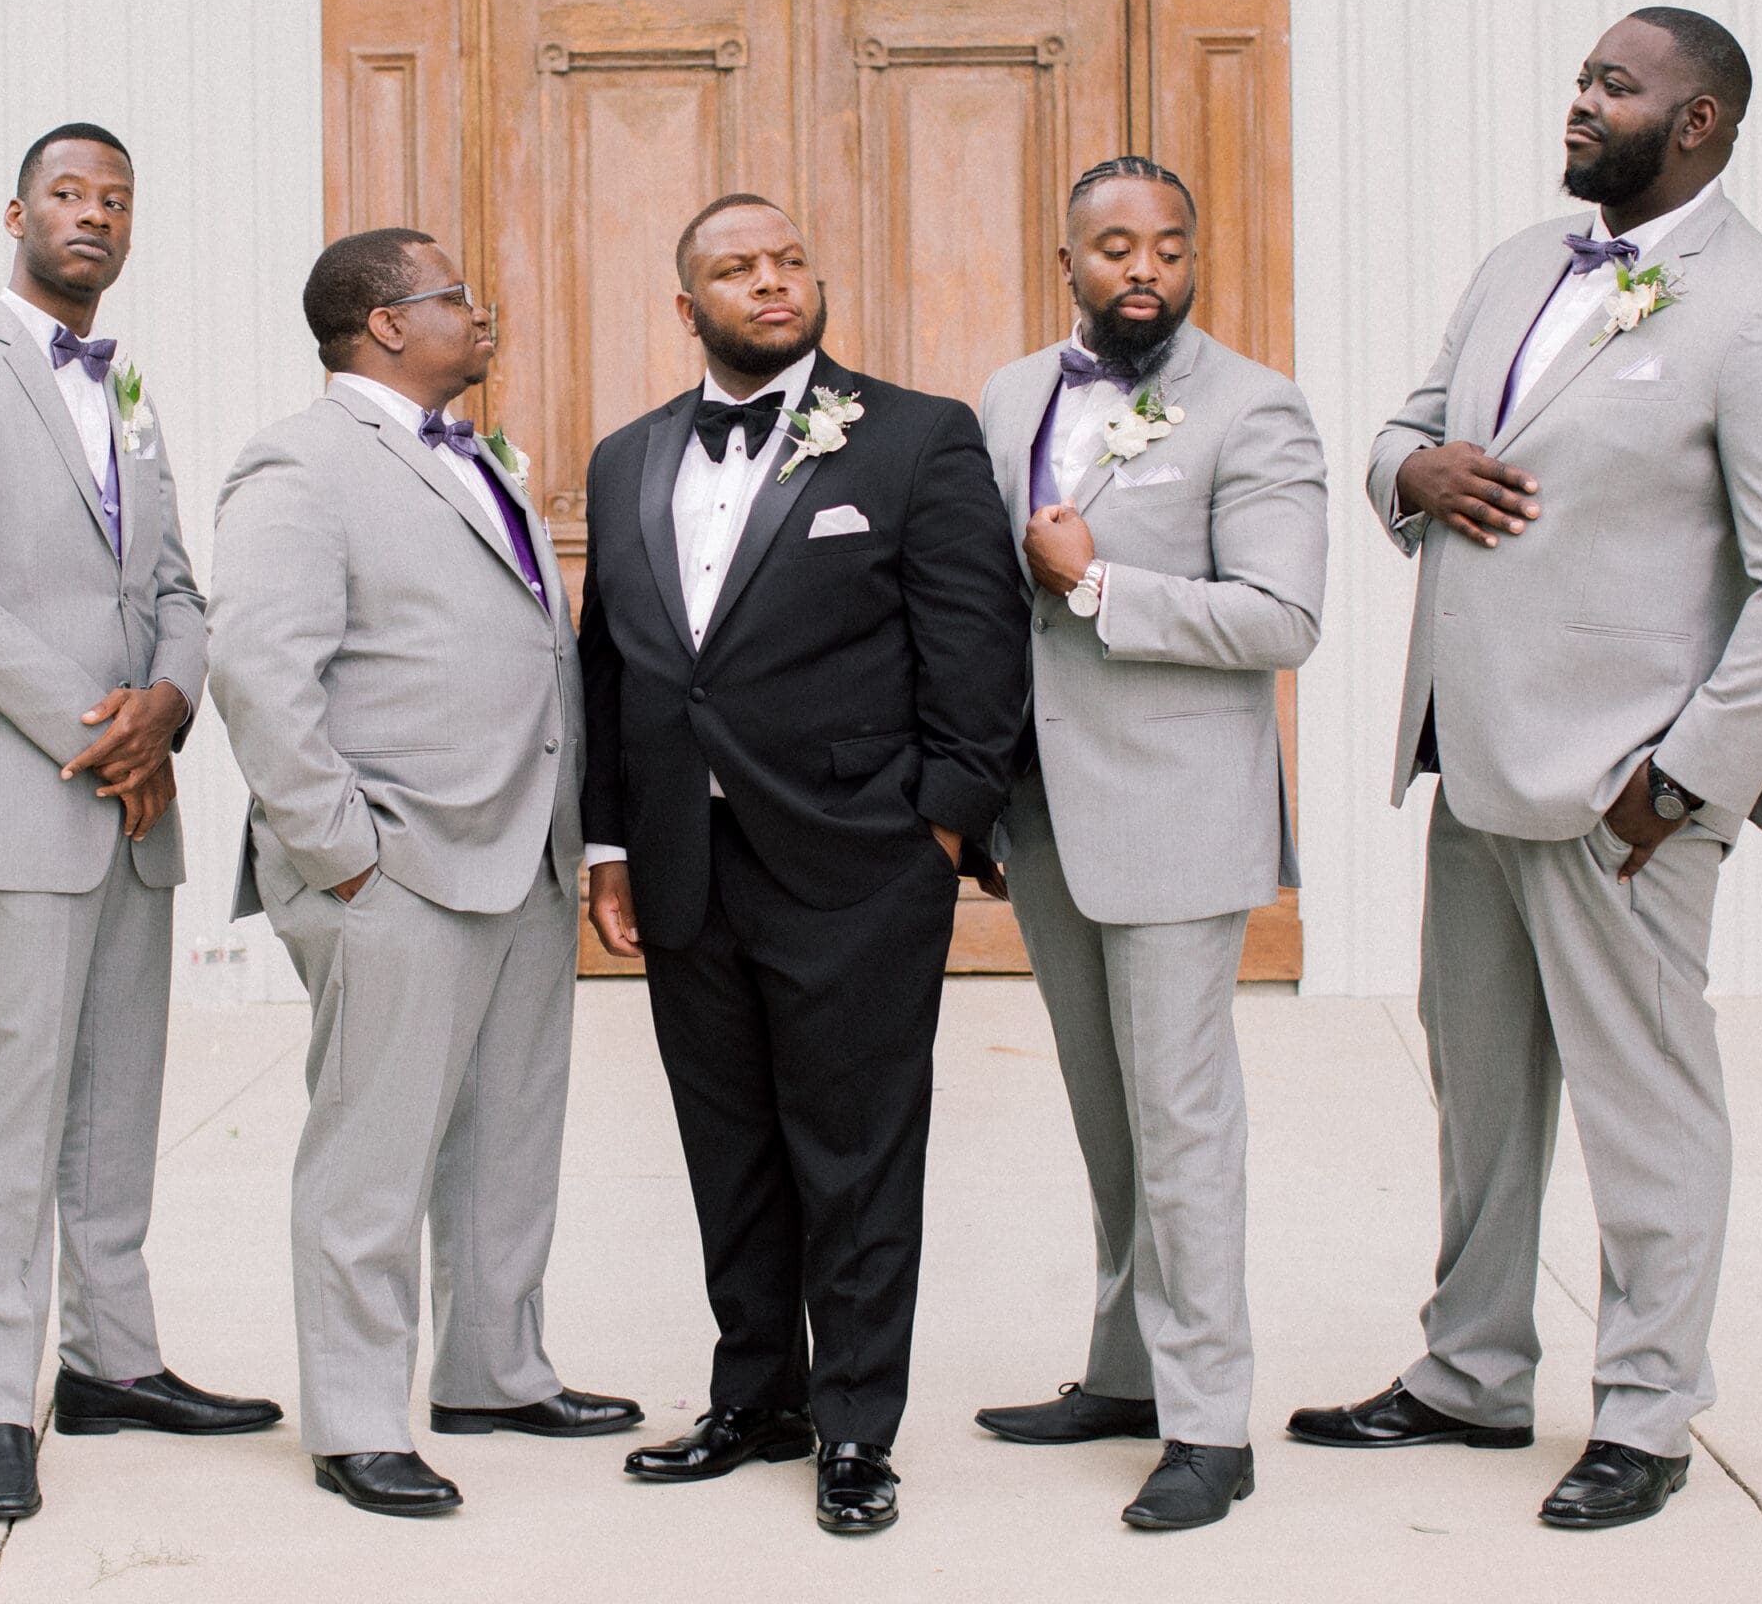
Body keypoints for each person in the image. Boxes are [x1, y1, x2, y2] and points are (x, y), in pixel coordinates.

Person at [1290, 9, 1762, 1530]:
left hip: (1624, 799)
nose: (1581, 99)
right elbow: (1405, 429)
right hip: (1471, 768)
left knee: (1645, 1106)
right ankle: (1470, 1372)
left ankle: (1648, 1410)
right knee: (1478, 1092)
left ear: (1699, 123)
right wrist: (1409, 472)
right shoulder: (1517, 268)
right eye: (1583, 76)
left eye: (1617, 84)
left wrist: (1681, 785)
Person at [579, 193, 1029, 1535]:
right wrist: (610, 837)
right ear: (687, 306)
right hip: (681, 861)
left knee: (857, 1153)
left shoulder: (914, 438)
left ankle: (854, 1429)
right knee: (730, 1149)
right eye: (736, 267)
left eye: (787, 262)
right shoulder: (625, 458)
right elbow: (615, 666)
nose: (770, 283)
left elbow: (977, 647)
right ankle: (754, 1396)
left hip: (857, 861)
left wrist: (939, 825)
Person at [207, 227, 638, 1519]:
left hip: (523, 852)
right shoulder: (300, 462)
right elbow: (260, 672)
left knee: (512, 1134)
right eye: (459, 296)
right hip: (396, 865)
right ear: (387, 325)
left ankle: (495, 1370)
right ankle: (353, 1418)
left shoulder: (473, 457)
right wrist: (345, 855)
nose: (484, 311)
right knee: (374, 1154)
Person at [0, 123, 279, 1525]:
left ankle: (114, 1361)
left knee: (122, 1096)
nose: (93, 215)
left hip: (136, 791)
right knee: (19, 1099)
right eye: (68, 193)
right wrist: (98, 731)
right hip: (34, 791)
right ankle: (0, 1395)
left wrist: (169, 704)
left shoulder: (128, 392)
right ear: (16, 214)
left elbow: (174, 577)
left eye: (116, 198)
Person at [970, 156, 1327, 1530]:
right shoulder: (1012, 396)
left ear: (1193, 260)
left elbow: (1282, 618)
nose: (1143, 271)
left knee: (1182, 1119)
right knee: (1104, 1111)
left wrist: (1102, 582)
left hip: (1178, 812)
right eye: (1114, 247)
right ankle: (1122, 1370)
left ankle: (1209, 1423)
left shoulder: (1255, 408)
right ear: (1069, 259)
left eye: (1168, 248)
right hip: (1046, 808)